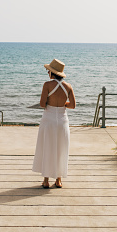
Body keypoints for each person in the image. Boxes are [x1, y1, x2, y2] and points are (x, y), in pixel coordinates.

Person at [32, 58, 76, 188]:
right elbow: (73, 105)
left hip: (48, 119)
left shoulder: (47, 85)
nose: (47, 73)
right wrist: (62, 104)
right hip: (62, 120)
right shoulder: (68, 86)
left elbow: (42, 103)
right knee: (61, 148)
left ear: (52, 73)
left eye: (48, 71)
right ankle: (58, 179)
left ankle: (46, 180)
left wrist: (51, 103)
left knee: (47, 147)